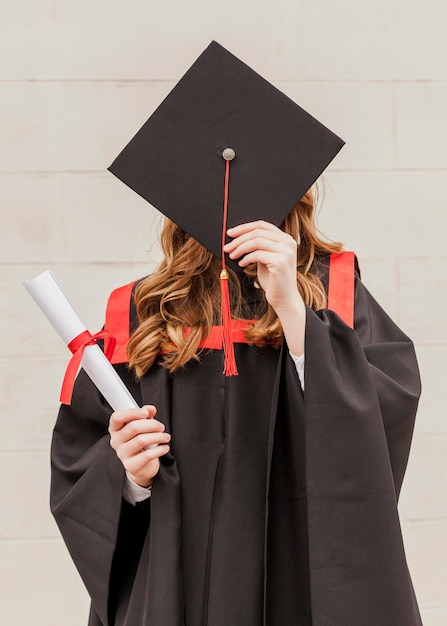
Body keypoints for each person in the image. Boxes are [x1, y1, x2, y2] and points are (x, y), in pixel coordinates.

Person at [50, 42, 422, 625]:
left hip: (294, 572)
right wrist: (130, 477)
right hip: (178, 577)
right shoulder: (140, 312)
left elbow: (377, 426)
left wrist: (294, 312)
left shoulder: (335, 292)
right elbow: (83, 461)